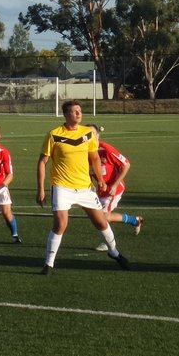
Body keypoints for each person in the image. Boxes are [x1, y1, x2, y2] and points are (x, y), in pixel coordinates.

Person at [35, 101, 129, 275]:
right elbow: (42, 162)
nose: (79, 114)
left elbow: (94, 157)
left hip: (85, 187)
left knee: (101, 221)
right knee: (61, 224)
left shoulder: (87, 134)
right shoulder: (54, 135)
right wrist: (40, 189)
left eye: (80, 111)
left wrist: (100, 180)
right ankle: (48, 264)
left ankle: (114, 252)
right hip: (62, 186)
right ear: (66, 115)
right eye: (74, 111)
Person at [87, 124, 142, 250]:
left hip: (114, 189)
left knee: (103, 217)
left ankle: (107, 243)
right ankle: (135, 220)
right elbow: (86, 171)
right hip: (102, 190)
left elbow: (126, 164)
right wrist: (90, 184)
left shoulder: (105, 149)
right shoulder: (83, 152)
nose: (90, 137)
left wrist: (115, 185)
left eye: (92, 134)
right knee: (100, 216)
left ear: (97, 136)